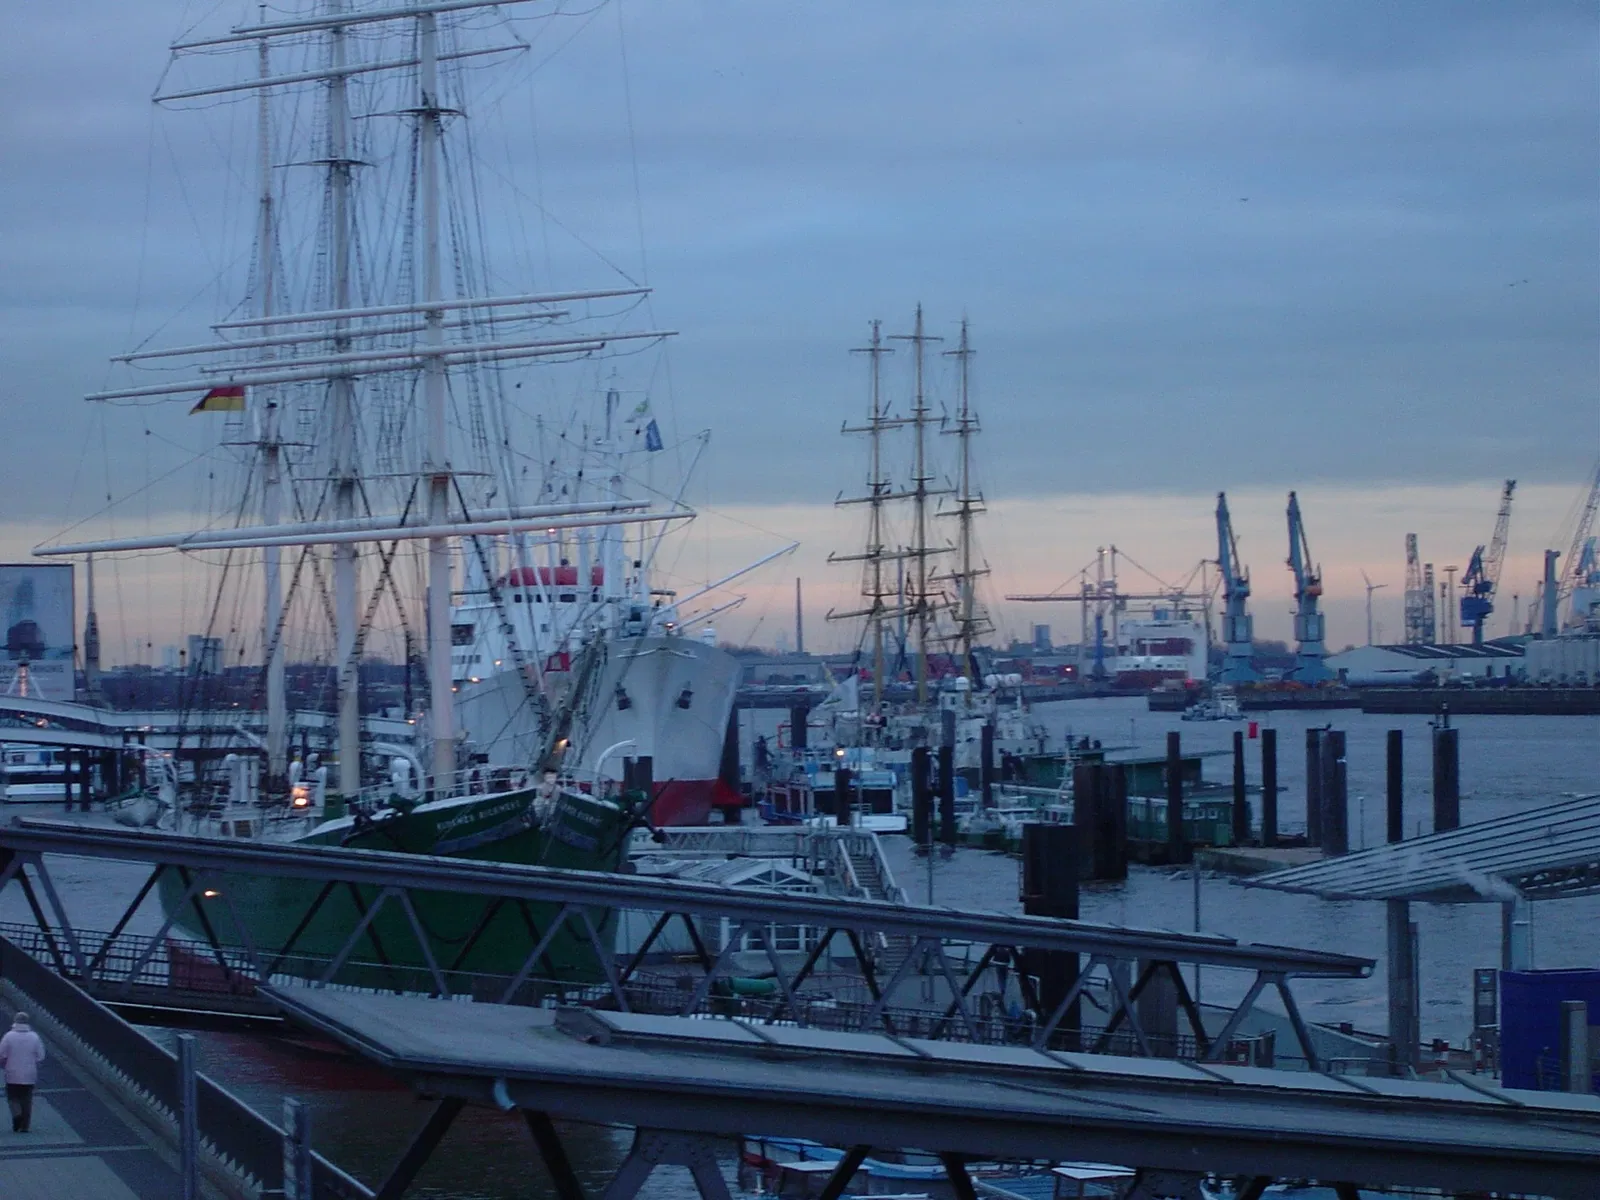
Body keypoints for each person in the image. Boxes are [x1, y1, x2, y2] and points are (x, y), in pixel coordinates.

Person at [0, 1012, 46, 1133]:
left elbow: (2, 1053)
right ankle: (25, 1126)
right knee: (27, 1099)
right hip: (29, 1073)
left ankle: (16, 1114)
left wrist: (4, 1062)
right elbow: (41, 1055)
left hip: (12, 1072)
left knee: (12, 1097)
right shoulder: (34, 1037)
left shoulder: (8, 1036)